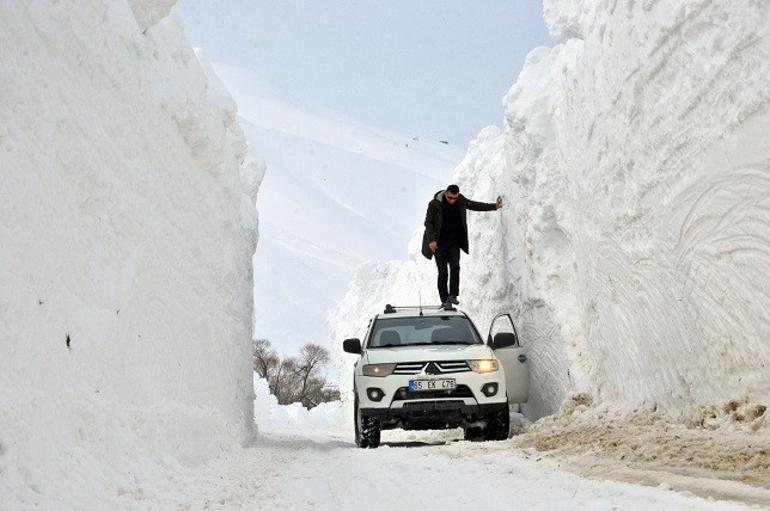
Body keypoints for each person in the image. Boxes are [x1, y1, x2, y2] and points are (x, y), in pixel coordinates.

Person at [421, 184, 502, 308]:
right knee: (443, 272)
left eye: (455, 198)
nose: (453, 201)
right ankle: (444, 300)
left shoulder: (460, 200)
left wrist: (494, 206)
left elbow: (475, 205)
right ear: (446, 193)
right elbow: (428, 222)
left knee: (455, 267)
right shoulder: (434, 204)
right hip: (439, 244)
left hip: (454, 242)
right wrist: (431, 240)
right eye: (450, 198)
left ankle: (453, 295)